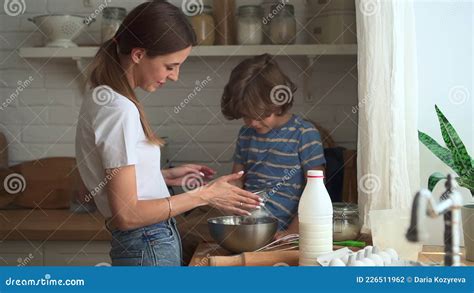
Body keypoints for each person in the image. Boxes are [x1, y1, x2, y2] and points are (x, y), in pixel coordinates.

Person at [75, 1, 262, 266]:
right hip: (147, 242)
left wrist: (161, 176)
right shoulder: (119, 109)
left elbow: (110, 183)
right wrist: (205, 195)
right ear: (139, 54)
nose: (175, 76)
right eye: (170, 66)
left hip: (145, 242)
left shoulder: (101, 96)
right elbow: (126, 214)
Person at [221, 54, 326, 238]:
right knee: (190, 227)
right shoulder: (246, 134)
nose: (252, 122)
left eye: (260, 115)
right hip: (248, 221)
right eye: (246, 115)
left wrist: (292, 232)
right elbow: (238, 179)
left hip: (285, 226)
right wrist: (229, 200)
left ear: (278, 104)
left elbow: (316, 190)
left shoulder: (304, 134)